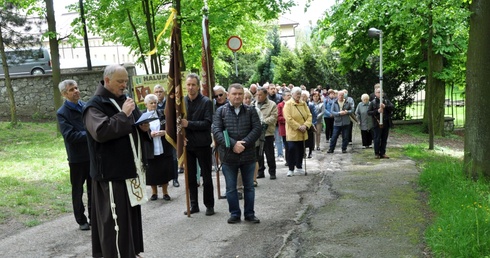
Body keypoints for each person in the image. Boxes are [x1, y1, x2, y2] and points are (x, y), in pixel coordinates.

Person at [83, 64, 149, 257]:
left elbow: (132, 126)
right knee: (115, 222)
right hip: (110, 175)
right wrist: (124, 114)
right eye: (120, 81)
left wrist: (143, 128)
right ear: (107, 80)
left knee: (130, 220)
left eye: (126, 81)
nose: (124, 85)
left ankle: (131, 252)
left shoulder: (124, 100)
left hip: (129, 171)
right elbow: (101, 132)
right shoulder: (94, 106)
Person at [212, 83, 262, 224]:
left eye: (240, 94)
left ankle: (249, 214)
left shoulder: (251, 111)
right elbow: (217, 131)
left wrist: (243, 144)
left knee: (249, 187)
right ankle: (234, 213)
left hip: (248, 155)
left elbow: (257, 129)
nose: (237, 96)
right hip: (228, 156)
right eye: (234, 94)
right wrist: (233, 144)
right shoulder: (220, 112)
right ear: (228, 95)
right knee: (230, 187)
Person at [56, 79, 91, 231]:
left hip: (92, 155)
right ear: (64, 94)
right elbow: (70, 136)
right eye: (71, 89)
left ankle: (95, 217)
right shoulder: (62, 113)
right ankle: (81, 219)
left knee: (94, 189)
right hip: (77, 158)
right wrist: (90, 134)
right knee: (78, 190)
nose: (76, 91)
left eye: (76, 88)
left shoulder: (86, 106)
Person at [181, 73, 215, 216]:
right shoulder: (182, 102)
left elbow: (207, 123)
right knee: (190, 176)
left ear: (198, 86)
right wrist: (181, 136)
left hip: (202, 144)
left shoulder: (206, 102)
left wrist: (189, 124)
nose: (190, 87)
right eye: (188, 84)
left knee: (206, 176)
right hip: (187, 145)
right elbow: (178, 122)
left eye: (193, 84)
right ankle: (193, 204)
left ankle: (209, 205)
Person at [143, 94, 175, 201]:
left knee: (164, 169)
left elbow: (170, 128)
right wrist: (149, 134)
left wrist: (164, 132)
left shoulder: (162, 114)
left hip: (162, 146)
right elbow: (139, 131)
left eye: (155, 103)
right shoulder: (142, 116)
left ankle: (165, 192)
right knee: (152, 170)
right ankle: (154, 193)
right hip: (150, 147)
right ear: (146, 104)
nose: (153, 105)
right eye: (151, 103)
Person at [154, 84, 179, 188]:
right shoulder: (153, 104)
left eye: (160, 91)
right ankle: (162, 180)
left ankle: (175, 179)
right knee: (161, 159)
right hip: (158, 137)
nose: (159, 94)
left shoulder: (169, 103)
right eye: (157, 92)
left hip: (169, 134)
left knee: (173, 157)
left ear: (164, 93)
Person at [283, 87, 312, 177]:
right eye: (297, 94)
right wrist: (298, 126)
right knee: (291, 149)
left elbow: (309, 116)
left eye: (299, 94)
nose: (298, 96)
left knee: (301, 149)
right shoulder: (288, 104)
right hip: (293, 131)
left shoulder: (304, 104)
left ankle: (299, 166)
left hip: (303, 131)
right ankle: (291, 168)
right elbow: (288, 118)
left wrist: (306, 125)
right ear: (292, 94)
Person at [253, 86, 278, 180]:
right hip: (257, 133)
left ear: (265, 95)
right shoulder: (253, 104)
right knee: (258, 154)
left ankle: (272, 172)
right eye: (257, 95)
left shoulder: (272, 104)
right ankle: (260, 171)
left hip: (267, 133)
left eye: (260, 95)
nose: (258, 97)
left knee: (269, 154)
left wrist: (262, 122)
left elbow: (273, 117)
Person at [368, 88, 394, 159]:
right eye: (378, 92)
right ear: (375, 93)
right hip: (377, 123)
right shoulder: (373, 102)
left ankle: (383, 153)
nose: (380, 93)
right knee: (377, 138)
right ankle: (377, 153)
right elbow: (369, 112)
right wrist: (377, 111)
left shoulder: (386, 101)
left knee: (384, 138)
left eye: (381, 92)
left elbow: (392, 107)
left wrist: (385, 106)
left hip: (386, 122)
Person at [277, 90, 291, 166]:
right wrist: (287, 120)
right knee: (287, 145)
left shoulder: (293, 104)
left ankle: (293, 159)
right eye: (288, 95)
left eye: (290, 95)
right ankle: (288, 160)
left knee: (292, 145)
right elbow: (278, 117)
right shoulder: (280, 105)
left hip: (293, 128)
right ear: (283, 97)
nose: (289, 97)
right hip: (284, 128)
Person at [301, 90, 316, 159]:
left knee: (310, 139)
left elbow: (314, 115)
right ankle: (303, 152)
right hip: (302, 124)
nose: (303, 98)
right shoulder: (299, 105)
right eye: (302, 96)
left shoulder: (311, 105)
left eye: (305, 96)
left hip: (309, 124)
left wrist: (311, 123)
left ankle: (310, 152)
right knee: (303, 139)